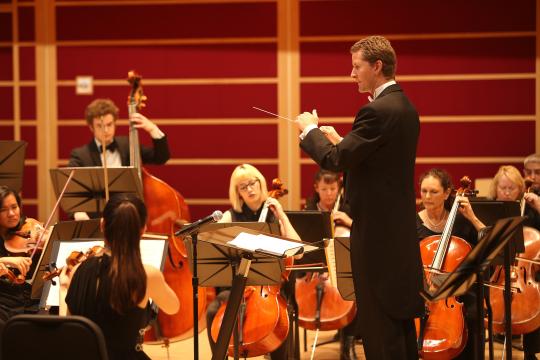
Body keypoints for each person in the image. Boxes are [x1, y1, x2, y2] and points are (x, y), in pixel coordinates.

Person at [295, 35, 424, 359]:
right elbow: (379, 161)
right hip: (397, 233)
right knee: (398, 328)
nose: (351, 74)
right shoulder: (404, 106)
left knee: (380, 331)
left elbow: (334, 161)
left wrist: (309, 130)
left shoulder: (376, 110)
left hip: (378, 238)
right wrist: (343, 141)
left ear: (377, 66)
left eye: (356, 66)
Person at [59, 193, 179, 360]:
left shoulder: (80, 269)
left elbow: (69, 327)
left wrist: (64, 288)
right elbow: (174, 307)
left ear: (102, 225)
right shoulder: (146, 274)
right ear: (143, 230)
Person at [205, 163, 300, 359]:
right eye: (243, 186)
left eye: (252, 183)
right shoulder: (231, 216)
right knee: (213, 310)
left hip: (270, 287)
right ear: (237, 192)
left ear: (260, 183)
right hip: (240, 288)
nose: (249, 189)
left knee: (280, 318)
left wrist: (282, 216)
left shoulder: (274, 213)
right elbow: (212, 243)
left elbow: (297, 252)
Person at [416, 168, 487, 359]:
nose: (427, 196)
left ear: (447, 193)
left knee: (472, 315)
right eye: (423, 191)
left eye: (434, 191)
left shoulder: (462, 222)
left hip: (457, 293)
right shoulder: (413, 224)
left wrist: (472, 217)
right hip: (423, 292)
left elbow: (488, 246)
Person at [68, 98, 170, 220]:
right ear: (91, 127)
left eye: (109, 125)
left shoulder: (128, 145)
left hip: (129, 218)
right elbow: (70, 192)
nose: (105, 130)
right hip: (96, 221)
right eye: (100, 126)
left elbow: (161, 157)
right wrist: (78, 214)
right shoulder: (80, 155)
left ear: (115, 123)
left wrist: (152, 129)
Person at [303, 169, 357, 359]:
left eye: (333, 188)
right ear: (316, 188)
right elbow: (305, 244)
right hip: (316, 267)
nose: (329, 193)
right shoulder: (309, 210)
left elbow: (362, 237)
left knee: (353, 288)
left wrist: (349, 221)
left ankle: (347, 343)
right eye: (324, 189)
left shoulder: (348, 208)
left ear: (339, 188)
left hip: (342, 267)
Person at [490, 164, 540, 360]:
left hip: (526, 271)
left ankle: (531, 351)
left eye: (512, 188)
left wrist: (538, 204)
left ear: (520, 189)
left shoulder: (530, 210)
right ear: (496, 188)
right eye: (503, 188)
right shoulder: (490, 210)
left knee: (535, 298)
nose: (507, 192)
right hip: (497, 270)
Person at [0, 186, 40, 331]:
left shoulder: (28, 227)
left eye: (14, 207)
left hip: (31, 300)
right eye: (3, 210)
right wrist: (6, 260)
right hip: (5, 304)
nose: (11, 214)